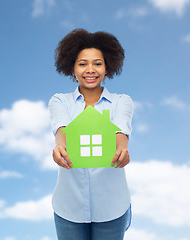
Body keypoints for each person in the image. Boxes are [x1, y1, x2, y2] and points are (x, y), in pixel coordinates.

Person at [48, 28, 133, 240]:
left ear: (107, 68)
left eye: (97, 63)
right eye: (82, 63)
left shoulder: (122, 101)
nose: (90, 69)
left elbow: (121, 129)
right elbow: (61, 128)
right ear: (72, 68)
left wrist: (122, 148)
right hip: (69, 205)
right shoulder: (60, 101)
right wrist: (60, 146)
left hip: (112, 206)